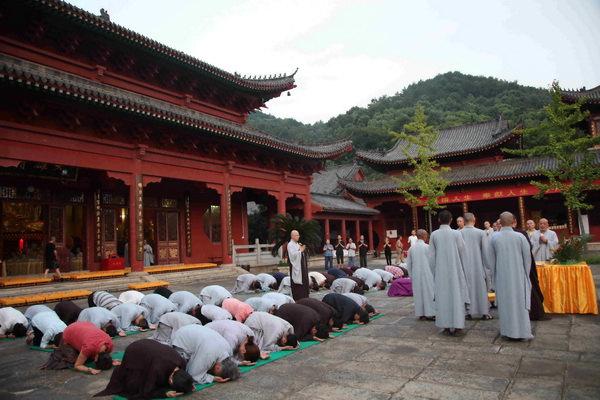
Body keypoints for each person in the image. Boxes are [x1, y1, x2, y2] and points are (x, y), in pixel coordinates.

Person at [486, 212, 534, 340]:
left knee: (506, 303)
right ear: (513, 221)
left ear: (500, 223)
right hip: (518, 276)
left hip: (502, 276)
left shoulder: (494, 238)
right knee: (519, 302)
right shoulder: (520, 237)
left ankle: (507, 331)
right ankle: (522, 332)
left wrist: (496, 273)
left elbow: (489, 260)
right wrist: (524, 273)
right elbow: (527, 258)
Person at [95, 338, 194, 399]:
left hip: (148, 344)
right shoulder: (157, 370)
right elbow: (147, 391)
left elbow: (184, 377)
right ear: (170, 380)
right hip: (134, 350)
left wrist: (188, 384)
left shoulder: (181, 362)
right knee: (135, 384)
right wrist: (165, 395)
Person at [429, 210, 470, 336]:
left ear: (439, 220)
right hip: (455, 270)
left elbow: (431, 257)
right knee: (456, 297)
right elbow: (463, 252)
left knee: (443, 298)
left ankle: (445, 326)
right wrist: (463, 269)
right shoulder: (456, 234)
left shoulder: (434, 235)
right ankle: (458, 326)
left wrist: (434, 272)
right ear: (451, 220)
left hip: (440, 271)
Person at [172, 325, 240, 384]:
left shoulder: (228, 350)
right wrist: (212, 378)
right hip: (180, 339)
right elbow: (194, 375)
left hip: (192, 330)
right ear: (218, 367)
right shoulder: (209, 355)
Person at [42, 321, 118, 374]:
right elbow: (77, 365)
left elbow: (104, 355)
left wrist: (110, 361)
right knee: (72, 359)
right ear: (95, 358)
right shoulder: (88, 348)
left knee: (86, 356)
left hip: (85, 325)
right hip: (70, 330)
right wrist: (89, 369)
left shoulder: (109, 345)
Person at [512, 215, 546, 321]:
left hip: (510, 268)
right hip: (524, 265)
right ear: (515, 221)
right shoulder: (521, 233)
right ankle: (534, 312)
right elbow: (528, 248)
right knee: (530, 288)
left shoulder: (497, 235)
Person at [460, 213, 493, 320]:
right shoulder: (480, 233)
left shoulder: (459, 233)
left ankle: (467, 312)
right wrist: (487, 267)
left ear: (464, 221)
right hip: (478, 265)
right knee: (480, 288)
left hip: (463, 265)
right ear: (474, 219)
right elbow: (485, 251)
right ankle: (484, 312)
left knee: (465, 288)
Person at [406, 229, 435, 320]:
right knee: (429, 293)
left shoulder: (411, 249)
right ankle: (431, 313)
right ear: (423, 236)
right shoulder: (427, 247)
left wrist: (411, 275)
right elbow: (433, 262)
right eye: (426, 235)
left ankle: (421, 314)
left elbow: (409, 264)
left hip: (416, 274)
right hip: (428, 274)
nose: (427, 237)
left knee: (419, 294)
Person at [287, 230, 309, 301]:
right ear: (292, 236)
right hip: (296, 266)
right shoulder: (290, 244)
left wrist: (301, 249)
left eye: (298, 235)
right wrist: (300, 251)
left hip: (301, 265)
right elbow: (292, 256)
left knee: (304, 280)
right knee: (298, 284)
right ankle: (298, 298)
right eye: (296, 235)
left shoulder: (296, 244)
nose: (298, 236)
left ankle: (305, 297)